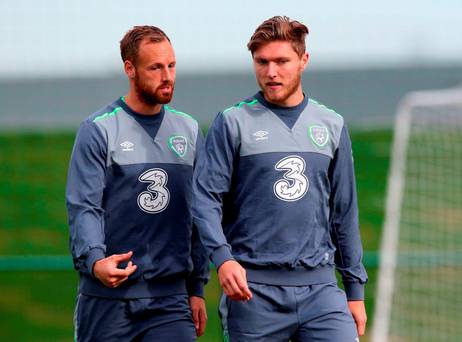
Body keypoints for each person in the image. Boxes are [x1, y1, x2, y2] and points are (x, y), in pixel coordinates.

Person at [192, 16, 368, 341]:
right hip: (252, 291)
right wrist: (223, 259)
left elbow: (344, 214)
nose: (271, 72)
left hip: (322, 291)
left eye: (281, 61)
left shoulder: (331, 124)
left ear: (303, 61)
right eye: (262, 62)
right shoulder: (232, 123)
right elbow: (204, 202)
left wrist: (354, 292)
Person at [66, 25, 208, 341]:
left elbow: (199, 214)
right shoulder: (98, 130)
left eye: (171, 65)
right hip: (107, 301)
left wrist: (196, 286)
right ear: (130, 69)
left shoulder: (189, 131)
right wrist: (95, 260)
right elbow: (84, 206)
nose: (167, 75)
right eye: (155, 67)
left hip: (170, 302)